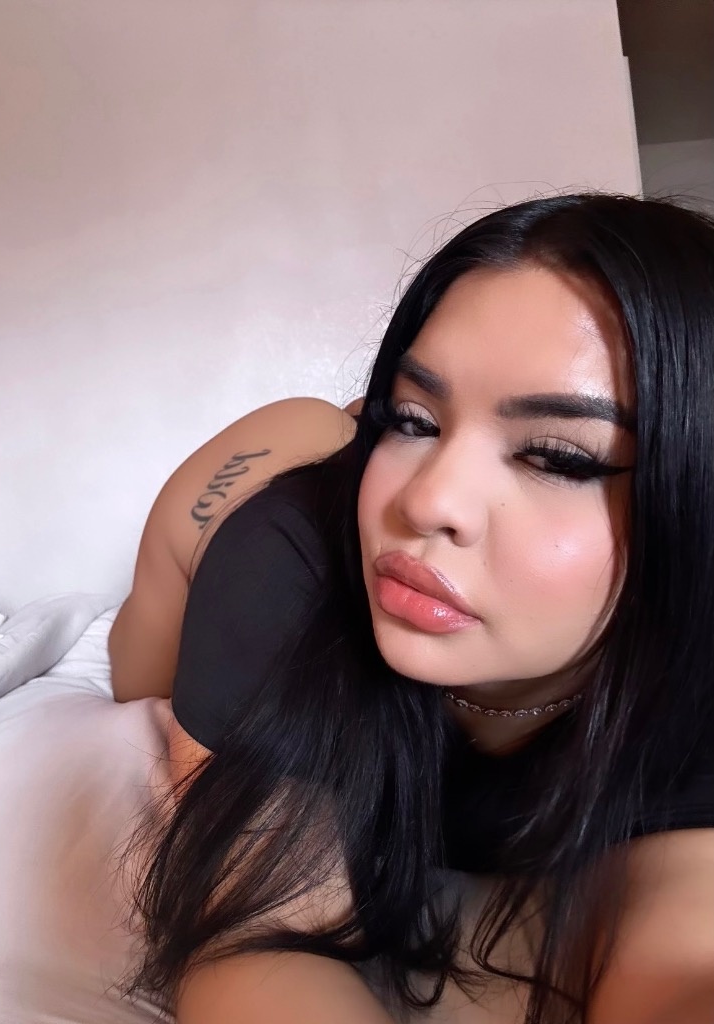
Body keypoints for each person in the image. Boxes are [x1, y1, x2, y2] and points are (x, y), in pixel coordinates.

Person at [117, 194, 714, 1024]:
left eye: (557, 457)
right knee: (142, 677)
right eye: (411, 417)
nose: (427, 501)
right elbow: (255, 939)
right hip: (257, 497)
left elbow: (682, 956)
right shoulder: (281, 562)